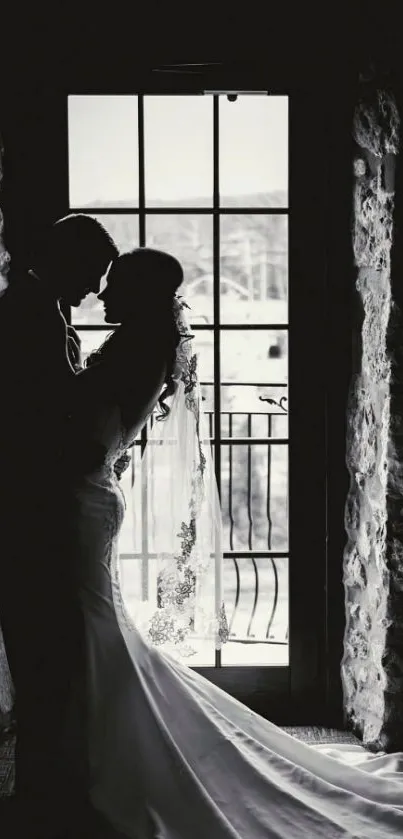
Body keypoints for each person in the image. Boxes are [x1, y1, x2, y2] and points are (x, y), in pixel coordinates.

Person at [61, 247, 403, 839]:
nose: (103, 293)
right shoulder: (142, 346)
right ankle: (106, 742)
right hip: (93, 495)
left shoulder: (136, 351)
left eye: (114, 284)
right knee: (101, 627)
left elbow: (94, 442)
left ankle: (113, 753)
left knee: (97, 627)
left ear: (139, 293)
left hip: (86, 496)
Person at [0, 213, 118, 838]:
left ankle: (44, 782)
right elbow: (40, 418)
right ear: (68, 260)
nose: (97, 289)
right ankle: (41, 794)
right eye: (93, 273)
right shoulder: (30, 314)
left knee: (45, 646)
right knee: (42, 647)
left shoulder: (37, 309)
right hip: (27, 509)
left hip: (35, 503)